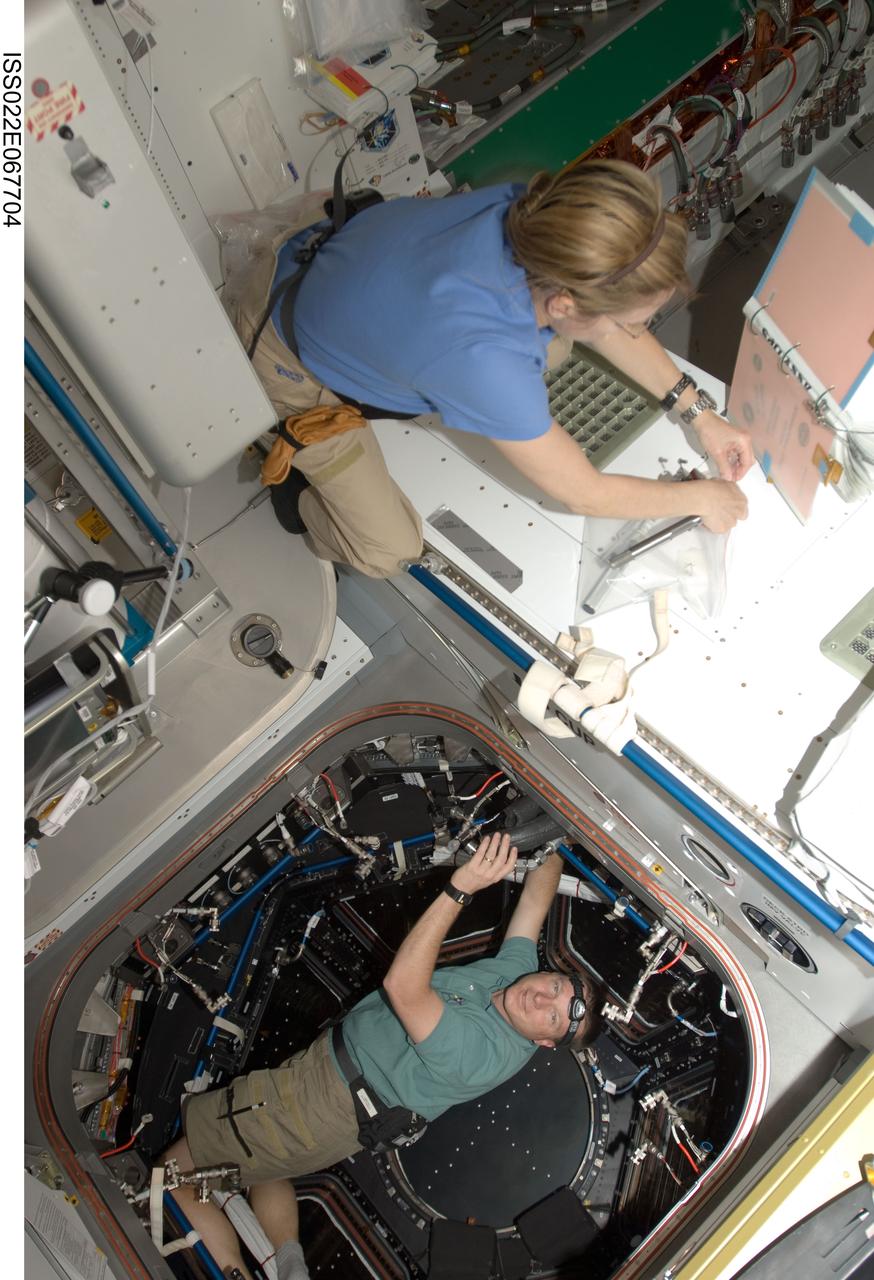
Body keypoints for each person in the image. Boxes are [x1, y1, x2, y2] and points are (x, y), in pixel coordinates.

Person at [233, 158, 753, 578]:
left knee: (559, 349)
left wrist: (701, 415)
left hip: (328, 258)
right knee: (388, 551)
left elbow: (606, 320)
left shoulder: (537, 212)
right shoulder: (485, 360)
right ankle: (298, 489)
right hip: (286, 354)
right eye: (636, 320)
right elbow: (582, 492)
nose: (640, 328)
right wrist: (700, 496)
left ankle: (410, 369)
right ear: (565, 306)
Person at [161, 832, 602, 1273]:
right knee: (267, 1168)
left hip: (318, 1104)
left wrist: (461, 887)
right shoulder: (519, 979)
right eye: (556, 987)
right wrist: (554, 840)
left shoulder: (482, 1055)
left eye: (553, 1018)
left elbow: (403, 988)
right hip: (329, 1090)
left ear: (544, 1042)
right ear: (551, 973)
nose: (541, 1000)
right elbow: (536, 900)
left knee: (171, 1179)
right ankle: (291, 1264)